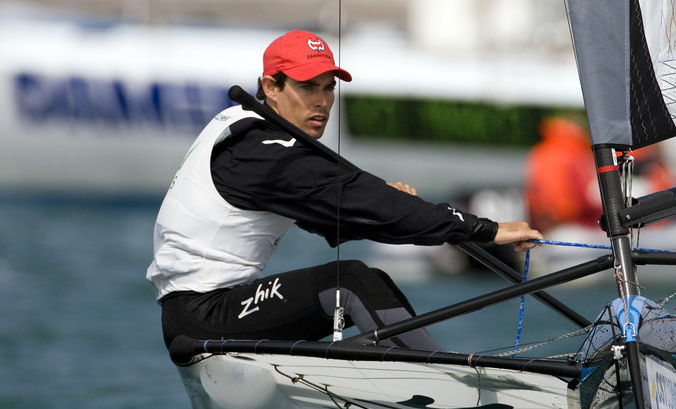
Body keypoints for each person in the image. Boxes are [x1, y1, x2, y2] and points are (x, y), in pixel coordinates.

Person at [148, 29, 540, 355]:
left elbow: (334, 217)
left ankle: (416, 377)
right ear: (271, 86)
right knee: (350, 282)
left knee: (367, 281)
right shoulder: (264, 152)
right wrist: (484, 229)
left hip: (208, 312)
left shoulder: (244, 126)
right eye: (307, 87)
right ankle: (452, 384)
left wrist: (388, 206)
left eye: (328, 88)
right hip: (203, 317)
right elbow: (359, 200)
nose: (322, 102)